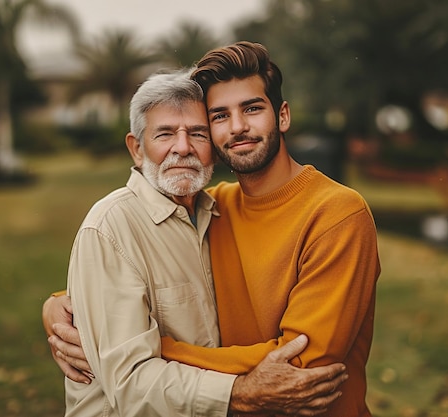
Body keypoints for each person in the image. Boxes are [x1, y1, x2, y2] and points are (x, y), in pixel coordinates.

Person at [46, 41, 381, 416]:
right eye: (220, 116)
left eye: (252, 109)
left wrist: (153, 348)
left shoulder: (337, 213)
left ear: (282, 115)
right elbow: (114, 262)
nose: (237, 127)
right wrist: (62, 305)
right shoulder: (214, 207)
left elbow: (302, 363)